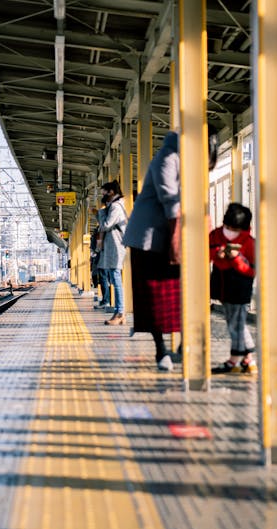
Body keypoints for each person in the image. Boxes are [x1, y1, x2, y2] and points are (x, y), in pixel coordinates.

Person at [122, 132, 182, 370]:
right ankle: (161, 351)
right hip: (148, 240)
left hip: (169, 235)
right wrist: (177, 240)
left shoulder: (184, 159)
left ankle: (182, 347)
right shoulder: (166, 158)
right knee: (155, 296)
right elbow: (171, 200)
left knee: (179, 293)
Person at [210, 203, 257, 374]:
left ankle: (235, 360)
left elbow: (251, 270)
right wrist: (217, 254)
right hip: (223, 288)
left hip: (240, 288)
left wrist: (236, 259)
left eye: (234, 229)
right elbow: (207, 251)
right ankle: (248, 359)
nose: (229, 231)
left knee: (235, 324)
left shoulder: (250, 243)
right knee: (237, 323)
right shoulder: (216, 235)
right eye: (227, 227)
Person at [96, 180, 127, 325]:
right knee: (114, 278)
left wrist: (101, 213)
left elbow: (106, 225)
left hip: (116, 246)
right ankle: (119, 312)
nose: (102, 195)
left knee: (116, 278)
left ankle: (120, 312)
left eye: (104, 192)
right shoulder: (113, 206)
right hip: (113, 246)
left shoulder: (115, 207)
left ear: (111, 192)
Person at [92, 206, 110, 311]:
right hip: (103, 255)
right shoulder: (101, 228)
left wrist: (96, 251)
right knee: (105, 278)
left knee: (105, 278)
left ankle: (106, 300)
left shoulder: (103, 228)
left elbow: (99, 244)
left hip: (104, 256)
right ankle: (106, 300)